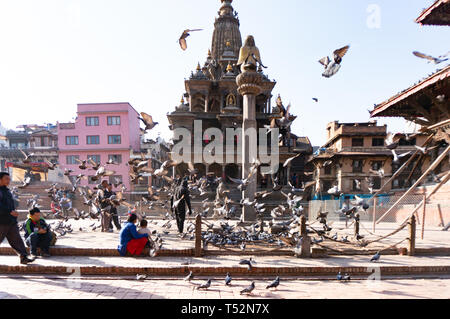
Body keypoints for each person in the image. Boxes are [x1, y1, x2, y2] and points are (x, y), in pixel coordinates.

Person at [0, 172, 34, 264]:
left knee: (17, 240)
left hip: (10, 221)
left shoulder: (6, 191)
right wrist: (10, 211)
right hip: (2, 222)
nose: (9, 180)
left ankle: (23, 257)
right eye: (6, 179)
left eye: (9, 178)